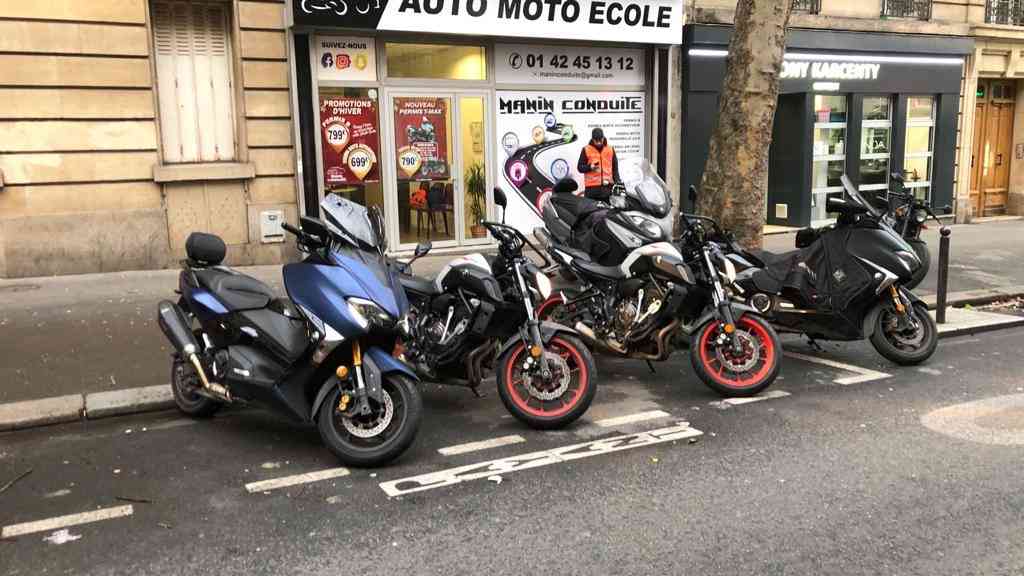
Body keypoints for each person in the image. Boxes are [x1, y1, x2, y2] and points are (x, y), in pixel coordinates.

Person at [577, 128, 620, 201]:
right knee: (590, 211)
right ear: (592, 139)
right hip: (591, 190)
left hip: (607, 189)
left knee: (609, 211)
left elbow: (615, 169)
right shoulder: (586, 149)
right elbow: (580, 167)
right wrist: (590, 167)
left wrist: (617, 184)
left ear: (603, 138)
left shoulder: (610, 149)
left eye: (600, 140)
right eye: (596, 141)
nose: (599, 143)